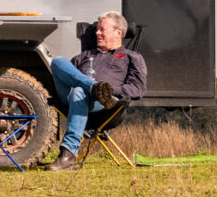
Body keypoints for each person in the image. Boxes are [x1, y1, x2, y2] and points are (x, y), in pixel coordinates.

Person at [45, 11, 146, 171]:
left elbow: (137, 89)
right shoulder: (85, 55)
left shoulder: (131, 57)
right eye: (96, 30)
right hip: (71, 98)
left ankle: (69, 154)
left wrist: (110, 89)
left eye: (102, 30)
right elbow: (68, 74)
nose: (97, 33)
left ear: (118, 32)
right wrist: (93, 86)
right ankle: (93, 87)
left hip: (105, 104)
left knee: (79, 91)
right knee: (58, 61)